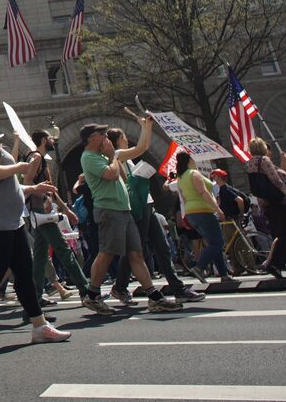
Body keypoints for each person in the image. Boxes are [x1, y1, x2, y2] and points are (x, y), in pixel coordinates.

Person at [0, 107, 71, 348]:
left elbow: (5, 186)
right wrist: (20, 167)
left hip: (9, 221)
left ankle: (39, 326)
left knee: (24, 272)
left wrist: (32, 189)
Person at [78, 122, 182, 314]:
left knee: (136, 253)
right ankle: (92, 295)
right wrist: (112, 156)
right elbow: (112, 173)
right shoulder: (90, 158)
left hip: (123, 210)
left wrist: (147, 127)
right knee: (107, 253)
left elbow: (141, 148)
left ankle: (154, 297)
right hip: (108, 210)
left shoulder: (108, 155)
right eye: (102, 134)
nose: (106, 138)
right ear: (92, 139)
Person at [106, 128, 203, 304]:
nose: (127, 140)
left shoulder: (125, 158)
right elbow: (142, 147)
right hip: (138, 207)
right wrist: (145, 126)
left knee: (162, 247)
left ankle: (178, 288)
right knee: (136, 250)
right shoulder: (118, 154)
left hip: (147, 205)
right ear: (119, 139)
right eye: (125, 137)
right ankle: (120, 287)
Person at [24, 132, 110, 314]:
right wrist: (45, 197)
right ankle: (85, 289)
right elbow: (27, 182)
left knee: (39, 256)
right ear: (42, 141)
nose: (53, 140)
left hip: (41, 210)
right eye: (49, 138)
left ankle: (35, 296)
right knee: (63, 250)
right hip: (41, 211)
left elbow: (50, 190)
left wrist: (66, 209)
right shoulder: (37, 157)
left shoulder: (39, 158)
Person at [246, 137, 286, 279]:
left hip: (267, 203)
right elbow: (277, 181)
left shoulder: (250, 163)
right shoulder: (264, 160)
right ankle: (273, 263)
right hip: (279, 201)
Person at [177, 152, 231, 283]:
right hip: (203, 210)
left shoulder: (181, 178)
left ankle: (224, 274)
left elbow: (184, 198)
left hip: (191, 212)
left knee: (213, 242)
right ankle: (199, 267)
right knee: (217, 242)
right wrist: (218, 209)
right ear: (190, 160)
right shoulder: (194, 174)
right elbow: (203, 192)